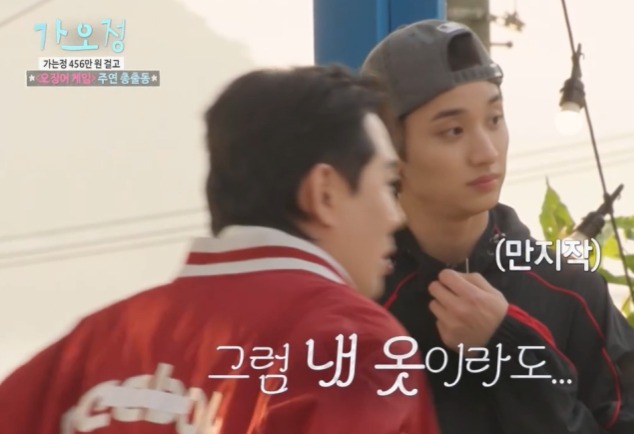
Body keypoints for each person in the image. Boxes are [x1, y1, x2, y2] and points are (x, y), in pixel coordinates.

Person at [0, 65, 440, 434]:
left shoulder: (95, 342)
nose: (396, 217)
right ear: (324, 192)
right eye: (388, 185)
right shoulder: (354, 344)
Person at [360, 19, 634, 434]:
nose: (487, 152)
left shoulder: (569, 290)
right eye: (453, 131)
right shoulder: (358, 298)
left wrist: (509, 347)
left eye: (495, 119)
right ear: (390, 152)